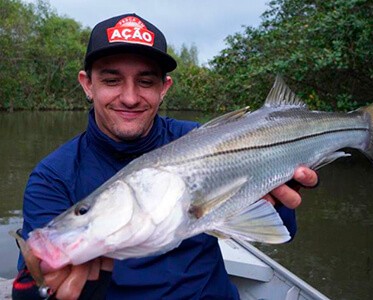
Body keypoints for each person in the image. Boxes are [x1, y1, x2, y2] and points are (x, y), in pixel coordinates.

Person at [12, 13, 318, 300]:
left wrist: (282, 188)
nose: (130, 97)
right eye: (111, 80)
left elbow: (282, 230)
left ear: (164, 88)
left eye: (146, 81)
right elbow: (29, 288)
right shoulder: (52, 175)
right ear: (87, 84)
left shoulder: (201, 140)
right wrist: (51, 285)